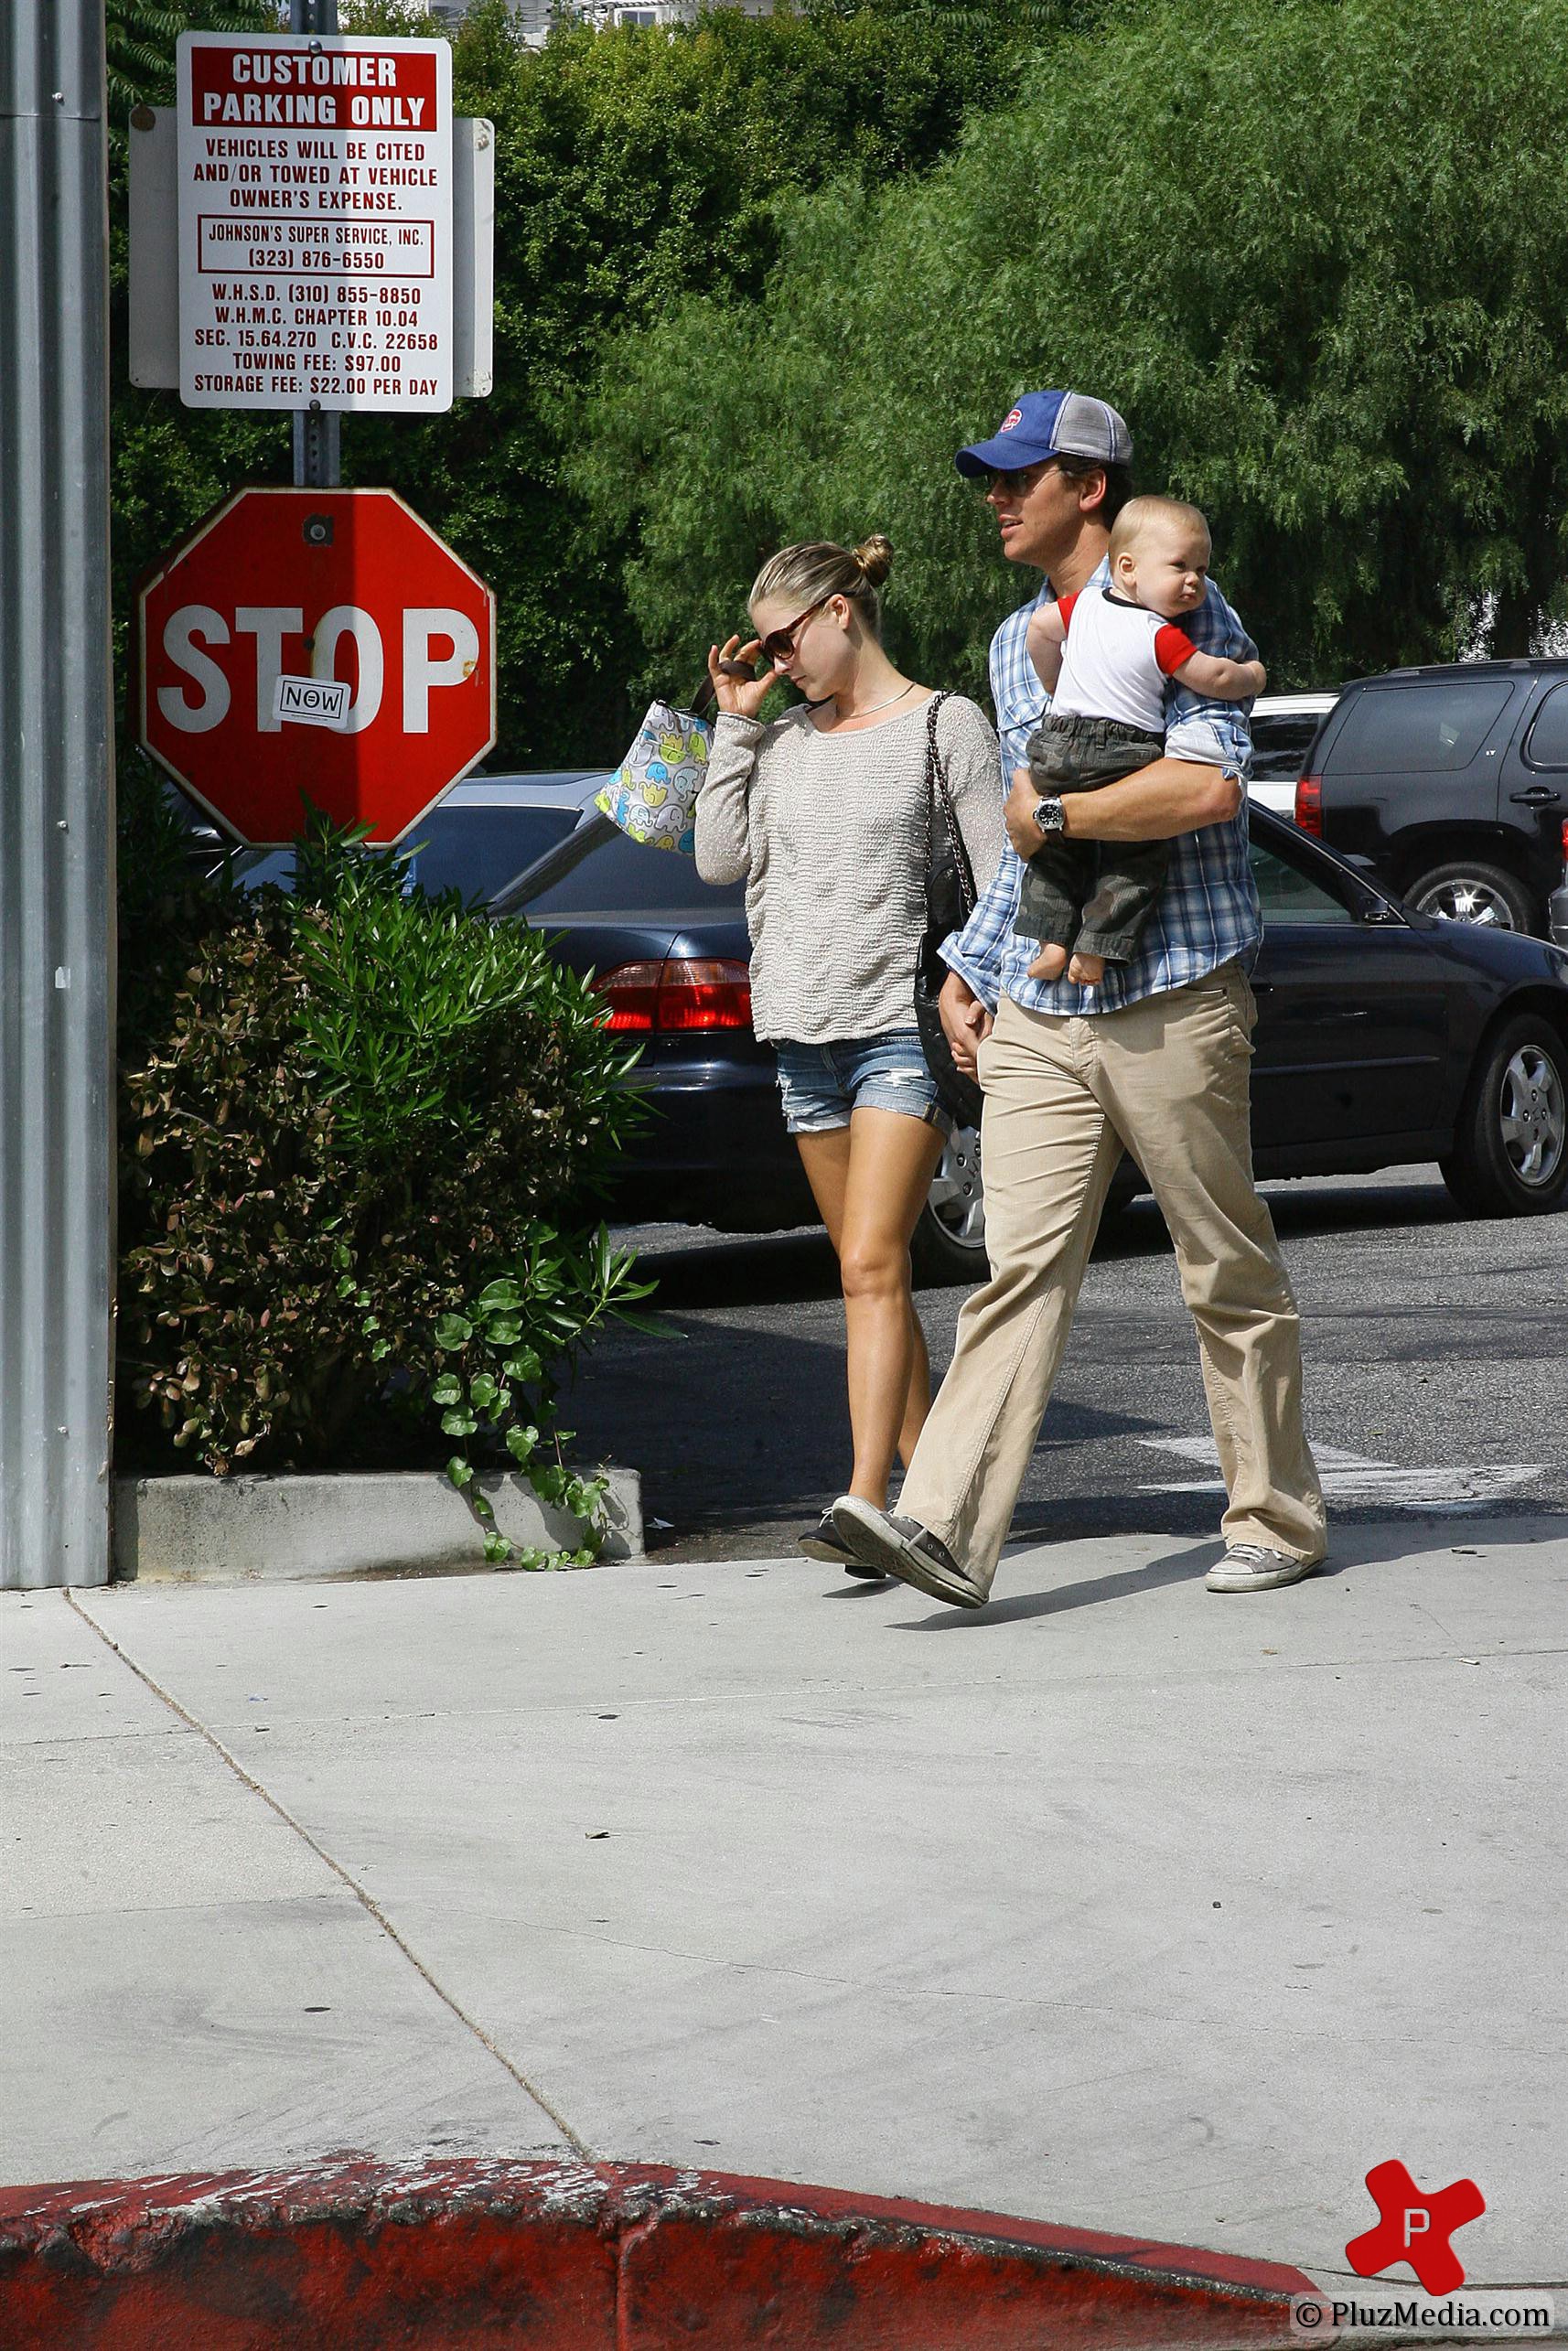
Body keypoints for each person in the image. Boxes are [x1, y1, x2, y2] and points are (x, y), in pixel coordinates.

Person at [830, 392, 1326, 1606]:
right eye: (990, 480)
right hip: (1045, 1008)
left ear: (1088, 488)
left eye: (1019, 477)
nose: (996, 498)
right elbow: (1025, 852)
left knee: (1220, 1258)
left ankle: (1273, 1513)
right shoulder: (1015, 644)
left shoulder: (1179, 601)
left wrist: (1057, 812)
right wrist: (971, 964)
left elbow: (1204, 789)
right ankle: (945, 1524)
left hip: (1172, 990)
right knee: (1017, 1266)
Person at [695, 536, 1004, 1573]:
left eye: (785, 640)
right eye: (765, 647)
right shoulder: (776, 743)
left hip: (897, 1027)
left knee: (873, 1265)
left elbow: (999, 881)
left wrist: (976, 994)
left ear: (841, 611)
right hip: (801, 1033)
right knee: (869, 1277)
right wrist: (734, 731)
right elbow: (716, 858)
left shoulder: (943, 725)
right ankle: (932, 1505)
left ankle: (865, 1499)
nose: (776, 660)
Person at [1016, 495, 1266, 984]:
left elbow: (1038, 632)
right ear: (1127, 568)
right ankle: (1096, 949)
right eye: (1180, 568)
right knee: (1135, 856)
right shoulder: (1160, 633)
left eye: (1200, 568)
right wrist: (1252, 675)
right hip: (1123, 751)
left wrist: (1055, 684)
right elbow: (1212, 676)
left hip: (1056, 744)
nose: (1194, 581)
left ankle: (1050, 943)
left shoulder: (1079, 606)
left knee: (1055, 854)